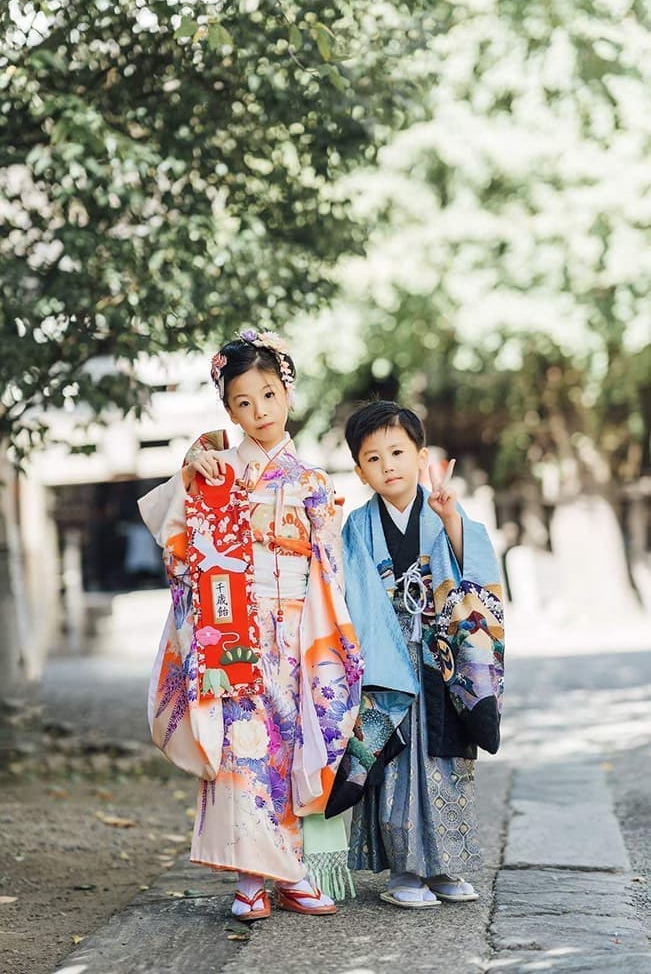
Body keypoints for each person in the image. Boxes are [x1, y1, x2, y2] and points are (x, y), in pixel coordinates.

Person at [138, 330, 362, 921]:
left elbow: (330, 571)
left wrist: (323, 639)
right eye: (243, 402)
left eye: (268, 395)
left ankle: (288, 872)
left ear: (287, 392)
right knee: (240, 747)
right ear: (229, 410)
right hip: (232, 627)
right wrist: (191, 475)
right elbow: (177, 542)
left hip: (295, 629)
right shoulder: (217, 469)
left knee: (289, 745)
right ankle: (250, 881)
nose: (259, 411)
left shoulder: (312, 481)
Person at [335, 400, 504, 908]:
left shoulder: (443, 509)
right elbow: (351, 590)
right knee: (393, 760)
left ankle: (445, 868)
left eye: (397, 452)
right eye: (372, 458)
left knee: (446, 758)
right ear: (360, 471)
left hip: (441, 657)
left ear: (421, 457)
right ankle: (405, 872)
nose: (387, 465)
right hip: (386, 660)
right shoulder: (358, 525)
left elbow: (474, 573)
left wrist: (451, 518)